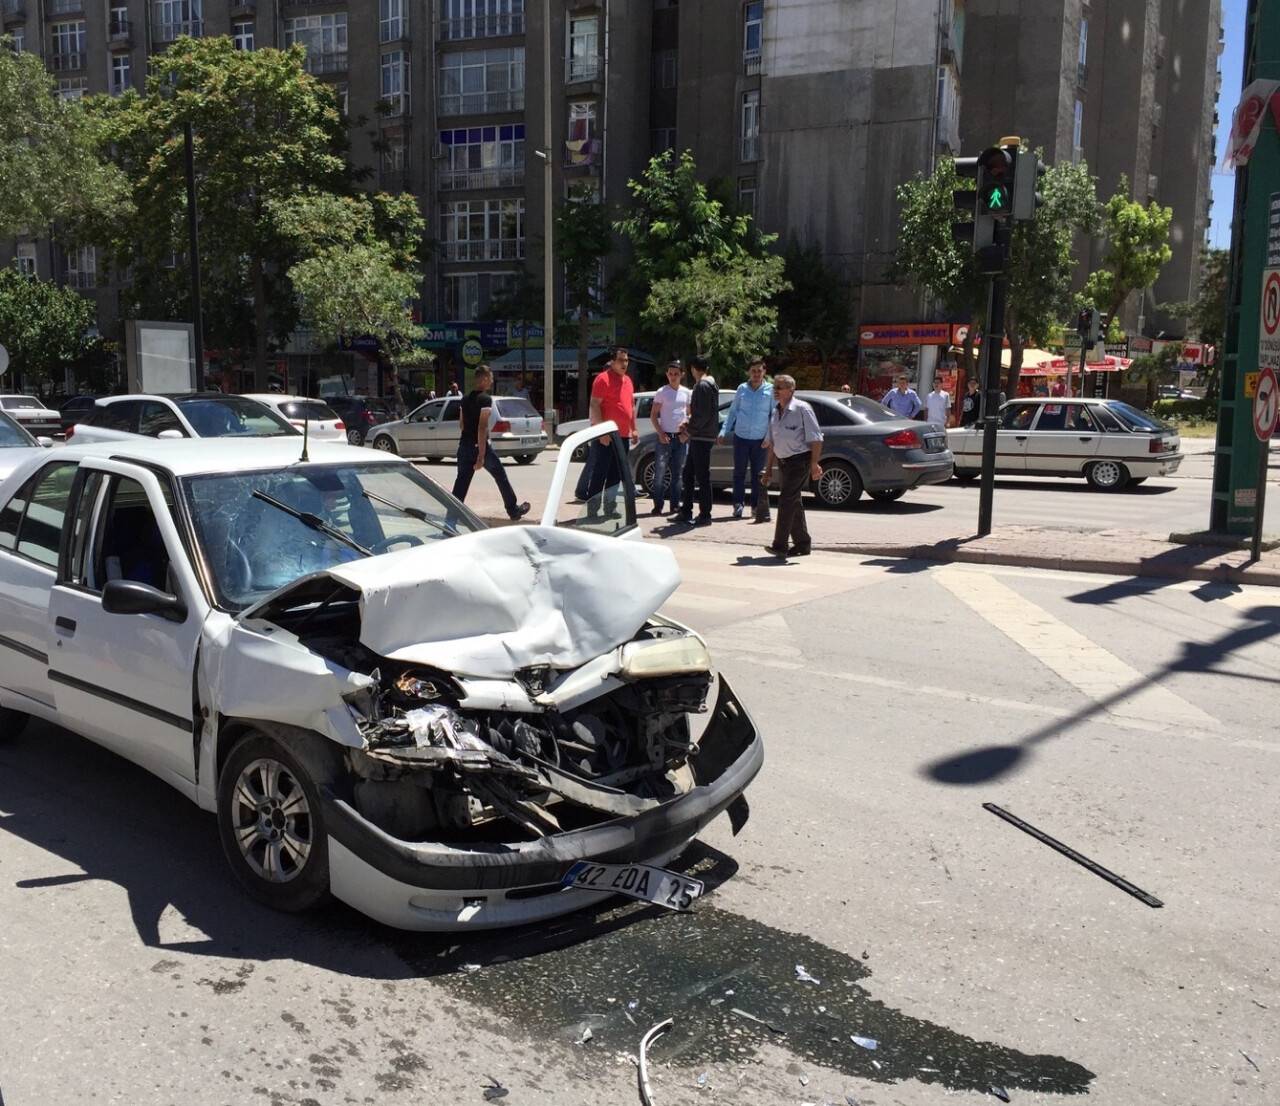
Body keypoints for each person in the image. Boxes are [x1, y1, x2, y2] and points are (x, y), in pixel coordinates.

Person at [451, 364, 530, 521]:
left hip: (464, 446)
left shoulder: (465, 399)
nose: (492, 382)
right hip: (479, 447)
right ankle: (513, 510)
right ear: (485, 378)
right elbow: (482, 427)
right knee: (500, 476)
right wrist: (481, 455)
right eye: (491, 379)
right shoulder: (485, 400)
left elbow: (461, 425)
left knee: (460, 485)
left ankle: (450, 521)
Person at [760, 375, 823, 558]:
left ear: (791, 390)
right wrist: (769, 468)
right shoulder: (775, 412)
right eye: (775, 387)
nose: (776, 390)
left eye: (780, 387)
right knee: (793, 501)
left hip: (800, 461)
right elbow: (772, 443)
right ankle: (803, 544)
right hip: (784, 462)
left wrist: (814, 464)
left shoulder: (802, 409)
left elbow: (817, 439)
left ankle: (780, 545)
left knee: (786, 500)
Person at [585, 347, 639, 518]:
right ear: (612, 361)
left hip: (622, 435)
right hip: (606, 435)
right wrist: (602, 432)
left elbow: (630, 406)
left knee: (616, 474)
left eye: (626, 360)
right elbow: (594, 405)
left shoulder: (628, 381)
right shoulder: (603, 379)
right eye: (621, 360)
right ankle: (592, 510)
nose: (624, 363)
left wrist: (634, 428)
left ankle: (610, 508)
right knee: (600, 472)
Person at [720, 359, 773, 521]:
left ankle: (756, 507)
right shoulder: (742, 389)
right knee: (739, 473)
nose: (756, 374)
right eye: (753, 371)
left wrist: (769, 436)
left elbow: (774, 415)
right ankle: (738, 505)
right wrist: (723, 431)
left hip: (760, 440)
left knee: (758, 475)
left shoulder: (770, 391)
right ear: (749, 372)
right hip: (741, 437)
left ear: (764, 372)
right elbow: (733, 412)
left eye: (759, 371)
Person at [677, 357, 719, 525]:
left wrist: (687, 432)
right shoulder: (710, 385)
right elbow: (703, 413)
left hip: (700, 437)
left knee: (701, 477)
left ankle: (704, 515)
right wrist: (689, 423)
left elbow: (702, 415)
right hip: (702, 435)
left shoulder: (702, 386)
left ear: (694, 368)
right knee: (688, 475)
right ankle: (686, 511)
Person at [649, 360, 690, 516]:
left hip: (681, 438)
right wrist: (660, 433)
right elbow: (653, 415)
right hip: (664, 438)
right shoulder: (662, 392)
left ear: (682, 375)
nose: (673, 377)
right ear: (667, 374)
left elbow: (691, 414)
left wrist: (686, 432)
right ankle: (658, 505)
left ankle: (674, 506)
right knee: (659, 473)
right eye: (671, 374)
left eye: (676, 374)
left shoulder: (687, 392)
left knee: (678, 474)